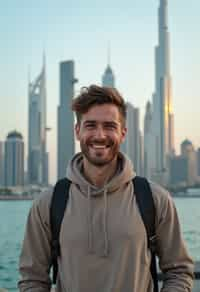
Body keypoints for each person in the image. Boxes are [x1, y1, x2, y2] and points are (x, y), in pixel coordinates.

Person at [18, 85, 194, 292]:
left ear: (123, 133)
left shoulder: (155, 199)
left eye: (109, 126)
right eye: (90, 125)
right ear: (78, 131)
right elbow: (32, 279)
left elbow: (179, 272)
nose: (100, 135)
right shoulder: (48, 203)